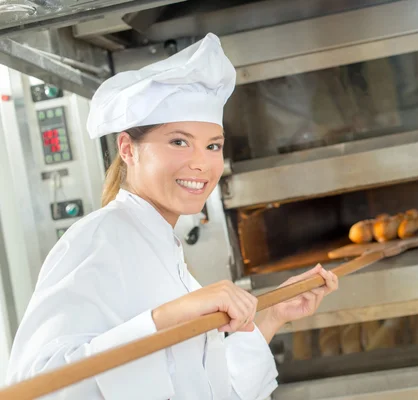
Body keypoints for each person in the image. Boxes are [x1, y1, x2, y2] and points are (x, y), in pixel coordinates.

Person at [5, 33, 338, 400]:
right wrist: (170, 316)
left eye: (213, 145)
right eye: (179, 141)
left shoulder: (163, 248)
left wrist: (273, 315)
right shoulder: (99, 238)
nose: (201, 162)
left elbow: (206, 390)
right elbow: (35, 387)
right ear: (128, 149)